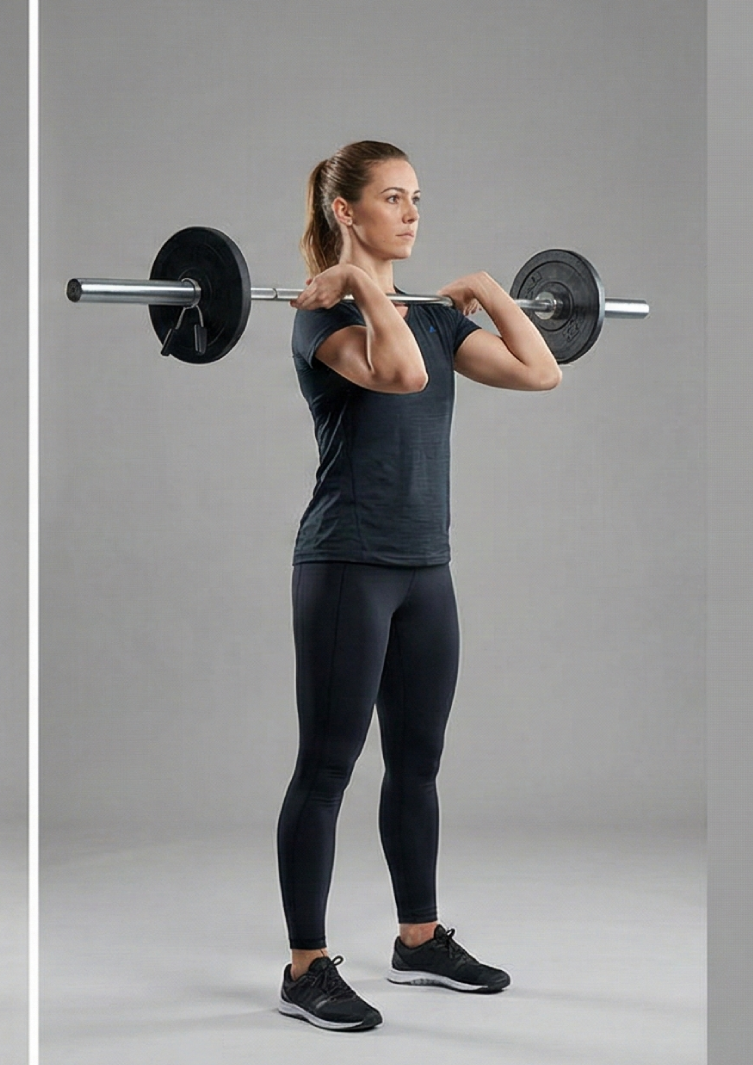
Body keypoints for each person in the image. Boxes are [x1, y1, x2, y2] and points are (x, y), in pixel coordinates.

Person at [274, 140, 561, 1032]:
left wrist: (490, 290)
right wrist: (357, 286)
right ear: (346, 213)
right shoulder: (319, 320)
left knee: (419, 759)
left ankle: (418, 938)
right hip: (346, 564)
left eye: (418, 198)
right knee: (327, 768)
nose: (412, 213)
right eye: (392, 198)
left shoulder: (435, 316)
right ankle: (306, 967)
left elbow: (541, 370)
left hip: (425, 569)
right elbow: (398, 375)